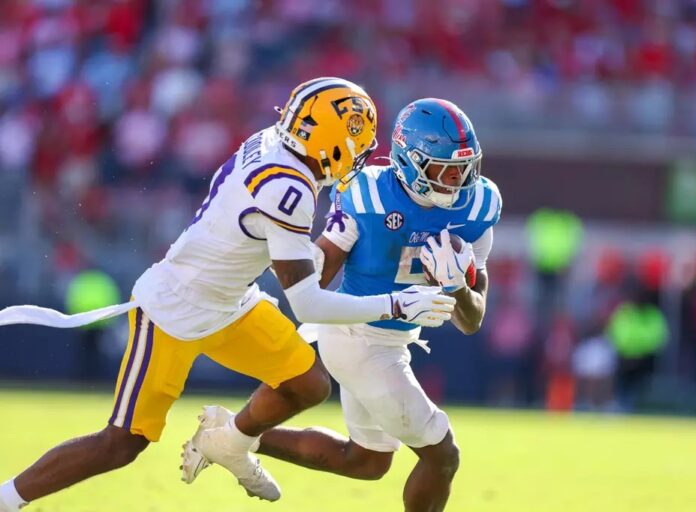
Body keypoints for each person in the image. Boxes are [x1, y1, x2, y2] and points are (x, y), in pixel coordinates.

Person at [0, 79, 456, 511]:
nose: (359, 155)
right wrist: (397, 303)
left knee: (307, 383)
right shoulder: (289, 188)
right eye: (357, 143)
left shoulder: (277, 145)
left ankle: (230, 443)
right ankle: (6, 498)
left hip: (228, 301)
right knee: (122, 443)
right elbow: (309, 304)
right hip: (175, 308)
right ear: (329, 140)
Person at [184, 98, 501, 512]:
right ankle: (234, 435)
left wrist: (457, 286)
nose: (458, 180)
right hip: (355, 334)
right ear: (408, 160)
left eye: (465, 167)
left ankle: (231, 433)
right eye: (444, 169)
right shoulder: (368, 194)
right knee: (443, 454)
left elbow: (471, 319)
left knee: (367, 462)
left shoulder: (479, 205)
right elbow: (315, 274)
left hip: (393, 342)